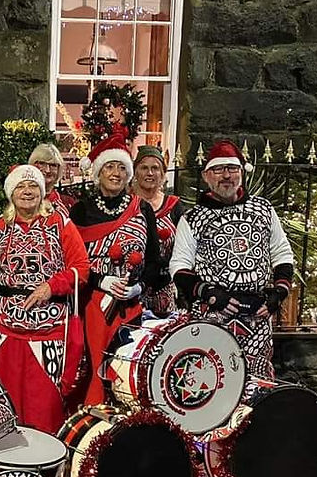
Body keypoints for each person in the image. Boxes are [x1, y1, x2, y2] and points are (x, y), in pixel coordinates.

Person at [170, 140, 294, 380]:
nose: (226, 175)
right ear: (207, 176)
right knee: (211, 381)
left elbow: (282, 252)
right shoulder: (193, 218)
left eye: (232, 168)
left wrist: (278, 293)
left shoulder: (264, 210)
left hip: (257, 316)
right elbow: (179, 265)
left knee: (256, 383)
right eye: (218, 169)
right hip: (213, 315)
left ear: (242, 173)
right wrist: (209, 294)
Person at [0, 165, 90, 434]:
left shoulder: (59, 222)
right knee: (7, 406)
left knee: (45, 407)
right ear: (11, 192)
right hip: (8, 332)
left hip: (49, 331)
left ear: (43, 191)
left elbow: (81, 267)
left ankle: (46, 469)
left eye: (33, 186)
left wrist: (51, 286)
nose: (27, 191)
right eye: (21, 186)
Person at [70, 129, 161, 406]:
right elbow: (72, 261)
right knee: (96, 366)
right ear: (98, 172)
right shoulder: (81, 210)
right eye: (109, 166)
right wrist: (101, 281)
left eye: (122, 167)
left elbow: (154, 262)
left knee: (127, 366)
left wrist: (137, 287)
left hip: (131, 307)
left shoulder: (142, 209)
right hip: (93, 305)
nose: (116, 173)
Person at [132, 145, 184, 317]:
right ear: (135, 172)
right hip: (131, 287)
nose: (150, 173)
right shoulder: (127, 205)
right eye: (144, 168)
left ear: (162, 174)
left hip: (165, 286)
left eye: (155, 168)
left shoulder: (174, 206)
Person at [28, 143, 75, 217]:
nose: (47, 170)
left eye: (53, 165)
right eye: (42, 163)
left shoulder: (68, 203)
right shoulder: (23, 201)